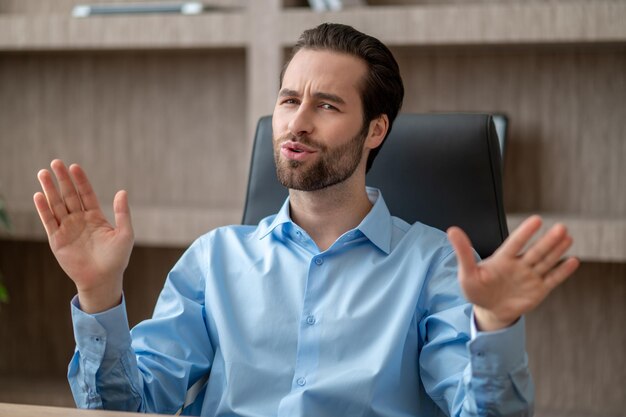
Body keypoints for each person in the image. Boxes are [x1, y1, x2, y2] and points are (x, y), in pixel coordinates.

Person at [33, 23, 579, 416]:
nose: (296, 122)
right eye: (289, 99)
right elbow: (125, 408)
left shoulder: (432, 265)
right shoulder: (215, 257)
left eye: (327, 105)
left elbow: (484, 413)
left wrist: (497, 327)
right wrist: (99, 292)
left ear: (375, 131)